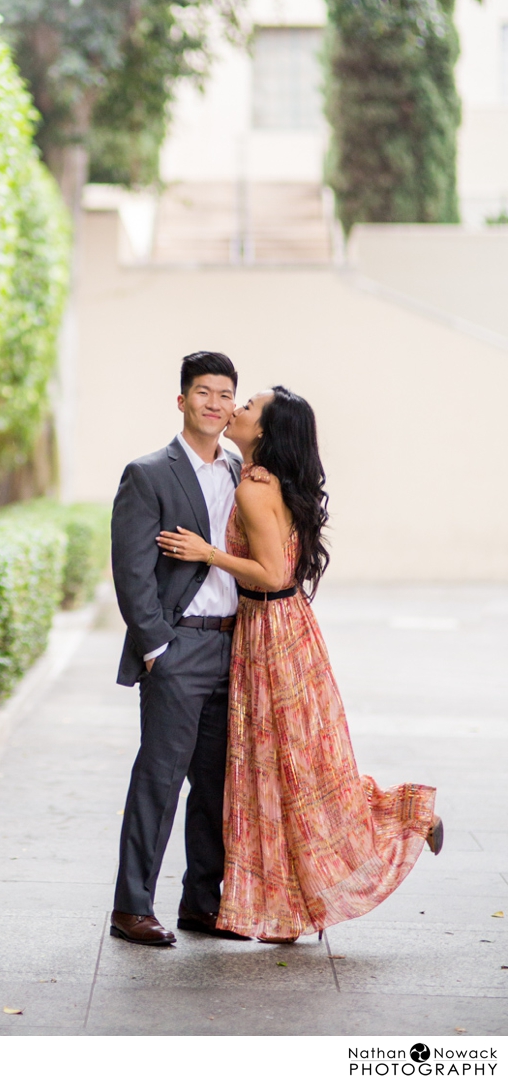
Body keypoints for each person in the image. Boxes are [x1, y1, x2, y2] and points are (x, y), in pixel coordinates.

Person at [156, 385, 442, 943]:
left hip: (270, 629)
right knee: (298, 766)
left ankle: (401, 821)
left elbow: (271, 574)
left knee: (288, 768)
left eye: (247, 407)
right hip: (283, 627)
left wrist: (206, 553)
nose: (235, 410)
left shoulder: (254, 489)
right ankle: (293, 902)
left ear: (263, 431)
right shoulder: (262, 477)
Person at [109, 351, 250, 947]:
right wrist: (155, 649)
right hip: (179, 648)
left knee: (218, 784)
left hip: (233, 645)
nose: (214, 404)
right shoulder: (148, 473)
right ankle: (131, 907)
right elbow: (131, 572)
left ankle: (202, 902)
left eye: (225, 394)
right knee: (160, 779)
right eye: (203, 393)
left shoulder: (242, 469)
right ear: (182, 400)